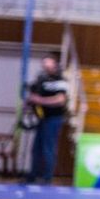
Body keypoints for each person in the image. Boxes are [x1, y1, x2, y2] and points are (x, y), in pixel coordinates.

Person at [23, 54, 68, 185]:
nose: (46, 67)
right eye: (44, 64)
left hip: (54, 118)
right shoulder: (41, 79)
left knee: (48, 148)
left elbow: (60, 100)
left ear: (55, 65)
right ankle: (33, 175)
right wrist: (31, 101)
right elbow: (34, 94)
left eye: (49, 64)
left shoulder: (60, 80)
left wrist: (40, 100)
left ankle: (47, 177)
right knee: (36, 148)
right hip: (42, 118)